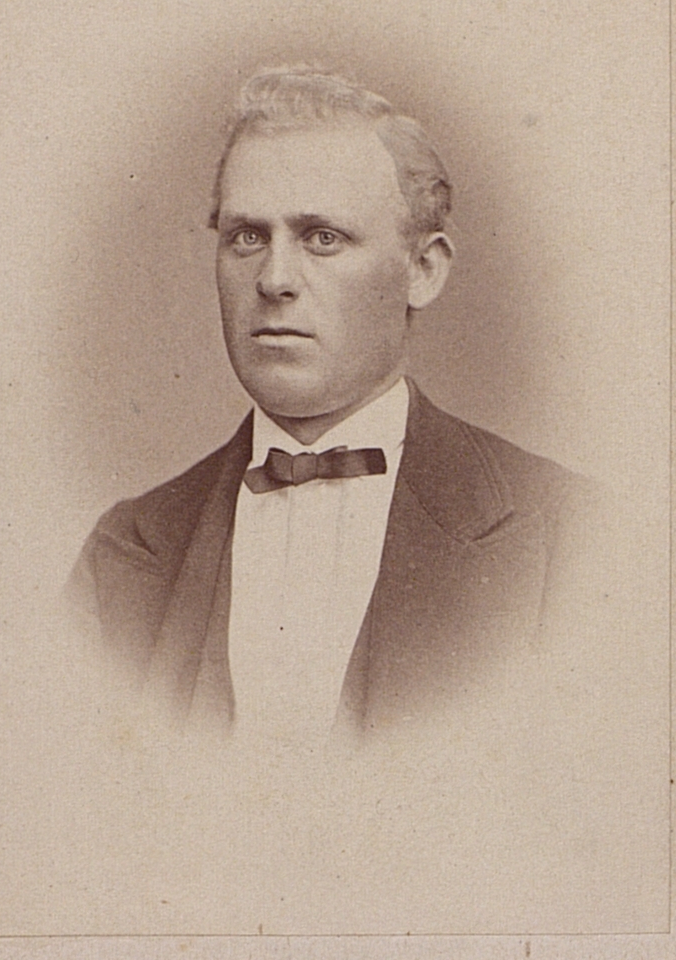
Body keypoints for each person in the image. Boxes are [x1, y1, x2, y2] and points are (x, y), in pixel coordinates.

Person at [67, 66, 595, 742]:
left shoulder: (569, 539)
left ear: (423, 270)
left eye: (323, 238)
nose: (275, 279)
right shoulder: (122, 555)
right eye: (247, 236)